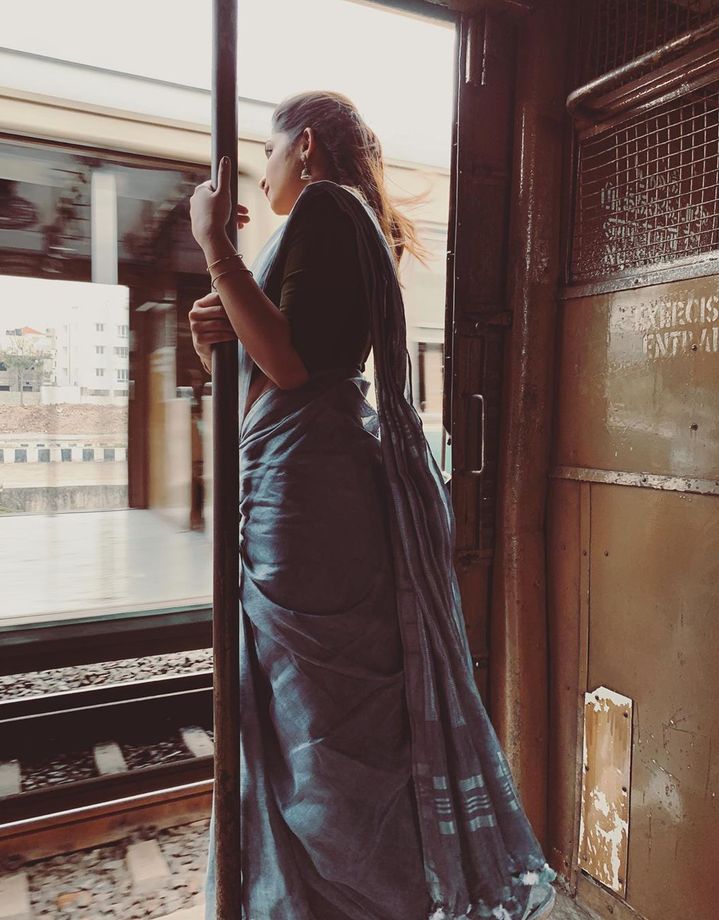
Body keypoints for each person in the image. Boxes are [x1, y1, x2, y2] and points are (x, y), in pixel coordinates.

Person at [188, 90, 556, 920]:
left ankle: (339, 899)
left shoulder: (324, 207)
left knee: (306, 719)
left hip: (306, 497)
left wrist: (217, 249)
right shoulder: (349, 223)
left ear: (306, 146)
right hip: (313, 484)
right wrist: (217, 326)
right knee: (319, 717)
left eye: (272, 151)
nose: (266, 169)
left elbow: (289, 368)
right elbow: (267, 377)